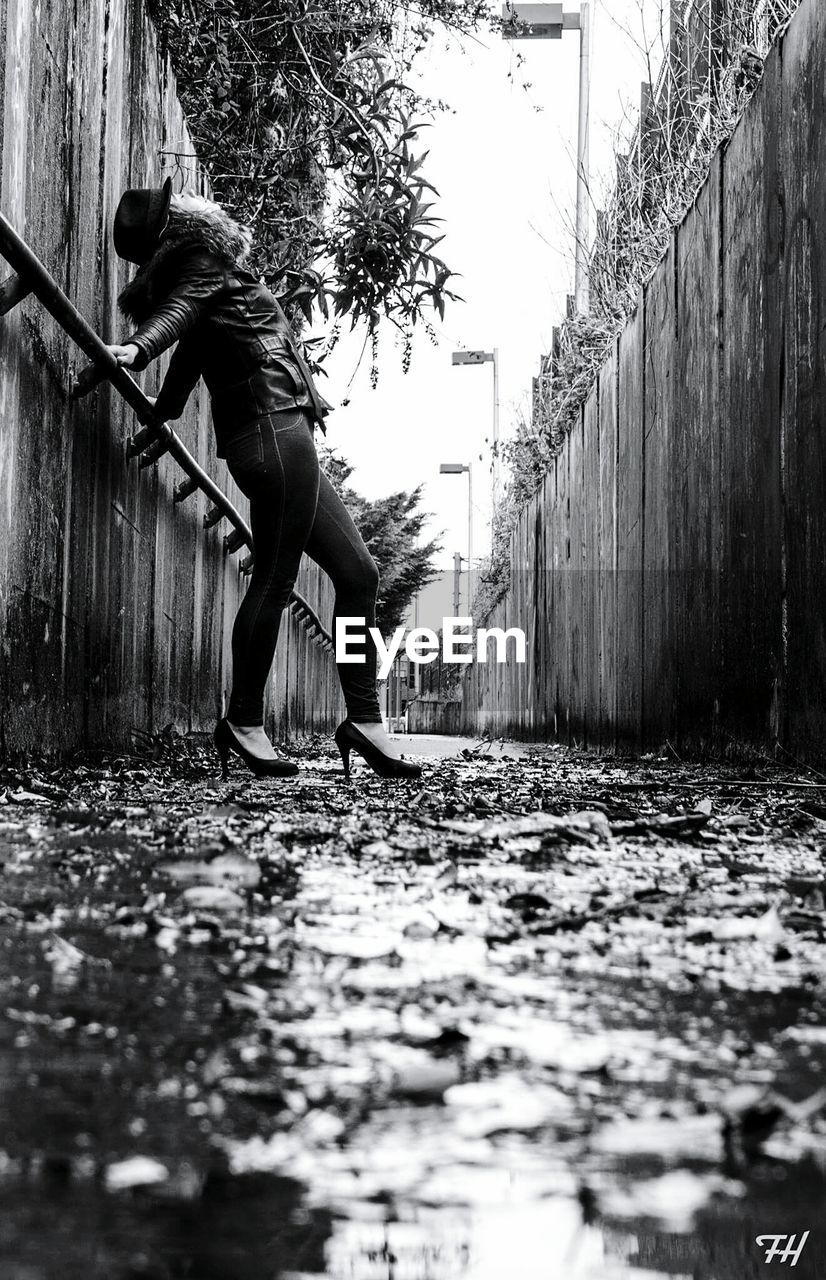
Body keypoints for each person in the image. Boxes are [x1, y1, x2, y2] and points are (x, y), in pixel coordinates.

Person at [107, 177, 420, 782]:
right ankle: (245, 719)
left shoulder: (200, 278)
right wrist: (138, 350)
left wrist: (163, 413)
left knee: (359, 574)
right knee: (274, 581)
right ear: (175, 226)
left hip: (280, 435)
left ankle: (363, 719)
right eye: (179, 206)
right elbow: (177, 320)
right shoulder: (201, 263)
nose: (197, 204)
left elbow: (192, 351)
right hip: (273, 432)